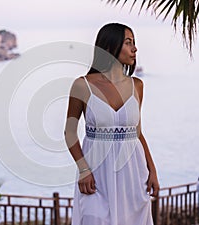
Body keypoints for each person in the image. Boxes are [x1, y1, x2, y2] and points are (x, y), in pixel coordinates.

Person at [64, 23, 159, 225]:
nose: (135, 48)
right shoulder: (82, 85)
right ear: (109, 47)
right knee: (93, 218)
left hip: (134, 174)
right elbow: (69, 132)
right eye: (128, 43)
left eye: (134, 43)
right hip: (96, 175)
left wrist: (152, 170)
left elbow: (138, 133)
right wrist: (83, 170)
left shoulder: (137, 86)